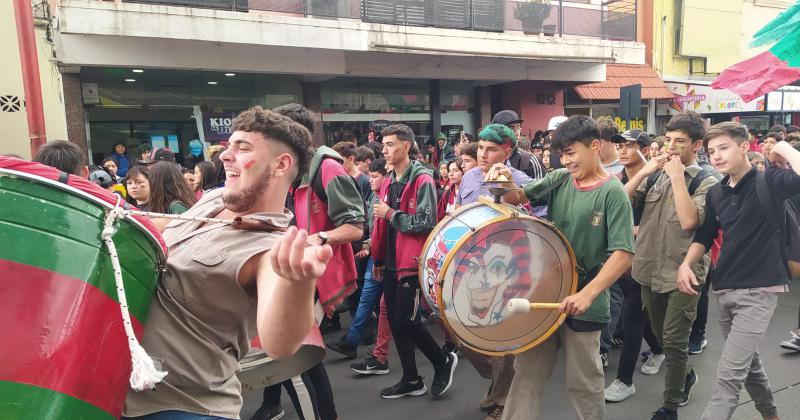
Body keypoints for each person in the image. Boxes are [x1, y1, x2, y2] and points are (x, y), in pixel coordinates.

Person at [122, 106, 329, 419]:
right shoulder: (214, 198)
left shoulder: (268, 248)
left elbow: (280, 345)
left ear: (281, 164)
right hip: (122, 392)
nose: (224, 156)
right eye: (229, 146)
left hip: (184, 408)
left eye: (242, 147)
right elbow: (155, 230)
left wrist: (298, 282)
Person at [495, 115, 634, 420]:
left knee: (583, 383)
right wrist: (503, 180)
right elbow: (517, 197)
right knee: (527, 374)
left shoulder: (613, 193)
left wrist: (587, 294)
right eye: (562, 154)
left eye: (572, 153)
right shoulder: (559, 178)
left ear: (594, 146)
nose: (566, 160)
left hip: (587, 301)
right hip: (546, 293)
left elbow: (623, 253)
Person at [677, 122, 797, 420]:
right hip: (725, 288)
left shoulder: (770, 180)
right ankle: (771, 415)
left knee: (728, 378)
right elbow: (705, 235)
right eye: (711, 151)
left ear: (745, 147)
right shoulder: (716, 193)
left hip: (760, 290)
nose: (716, 156)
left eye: (723, 148)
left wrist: (781, 148)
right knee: (748, 365)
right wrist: (685, 264)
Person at [255, 103, 364, 420]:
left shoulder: (327, 168)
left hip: (314, 274)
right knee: (297, 359)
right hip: (292, 271)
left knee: (294, 361)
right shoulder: (289, 169)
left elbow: (355, 227)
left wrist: (318, 238)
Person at [624, 111, 717, 420]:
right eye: (668, 141)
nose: (672, 148)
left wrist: (677, 176)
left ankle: (670, 406)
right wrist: (645, 170)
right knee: (660, 333)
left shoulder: (707, 180)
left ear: (697, 145)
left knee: (675, 342)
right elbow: (621, 200)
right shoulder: (656, 174)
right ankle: (686, 376)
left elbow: (691, 220)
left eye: (680, 142)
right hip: (648, 267)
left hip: (683, 272)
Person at [371, 124, 458, 399]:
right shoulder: (387, 180)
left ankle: (442, 361)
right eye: (383, 144)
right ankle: (411, 379)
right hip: (390, 261)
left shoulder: (422, 179)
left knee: (406, 321)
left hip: (412, 262)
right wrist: (377, 256)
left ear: (406, 146)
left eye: (390, 144)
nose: (384, 150)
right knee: (396, 323)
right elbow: (381, 225)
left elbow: (425, 222)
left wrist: (390, 213)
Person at [456, 124, 533, 420]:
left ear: (507, 152)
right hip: (473, 263)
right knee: (466, 332)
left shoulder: (521, 180)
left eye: (491, 149)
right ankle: (499, 381)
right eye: (480, 148)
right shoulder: (470, 177)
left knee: (503, 336)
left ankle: (502, 397)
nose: (483, 154)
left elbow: (538, 221)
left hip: (507, 268)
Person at [604, 129, 666, 403]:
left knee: (632, 319)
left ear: (644, 149)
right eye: (620, 145)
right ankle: (660, 350)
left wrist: (643, 229)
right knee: (640, 316)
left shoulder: (659, 180)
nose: (623, 150)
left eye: (630, 145)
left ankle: (624, 380)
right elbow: (610, 207)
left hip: (647, 260)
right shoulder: (617, 179)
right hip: (620, 256)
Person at [347, 159, 396, 373]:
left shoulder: (389, 197)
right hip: (377, 256)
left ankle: (443, 354)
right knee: (376, 302)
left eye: (375, 176)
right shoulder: (374, 197)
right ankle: (366, 348)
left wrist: (377, 256)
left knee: (402, 317)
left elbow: (389, 231)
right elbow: (374, 231)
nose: (371, 180)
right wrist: (370, 248)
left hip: (390, 260)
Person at [492, 110, 546, 179]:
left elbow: (541, 188)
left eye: (518, 127)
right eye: (511, 128)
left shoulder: (529, 160)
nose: (517, 133)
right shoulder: (486, 158)